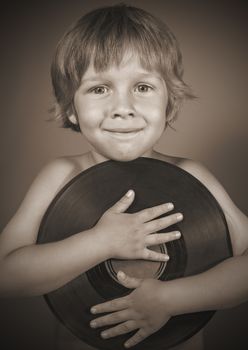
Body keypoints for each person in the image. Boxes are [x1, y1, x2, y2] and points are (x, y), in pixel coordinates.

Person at [0, 3, 247, 350]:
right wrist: (100, 242)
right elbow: (5, 275)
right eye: (99, 88)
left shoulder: (191, 175)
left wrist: (173, 298)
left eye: (143, 87)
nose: (122, 107)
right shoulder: (60, 175)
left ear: (169, 103)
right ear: (71, 108)